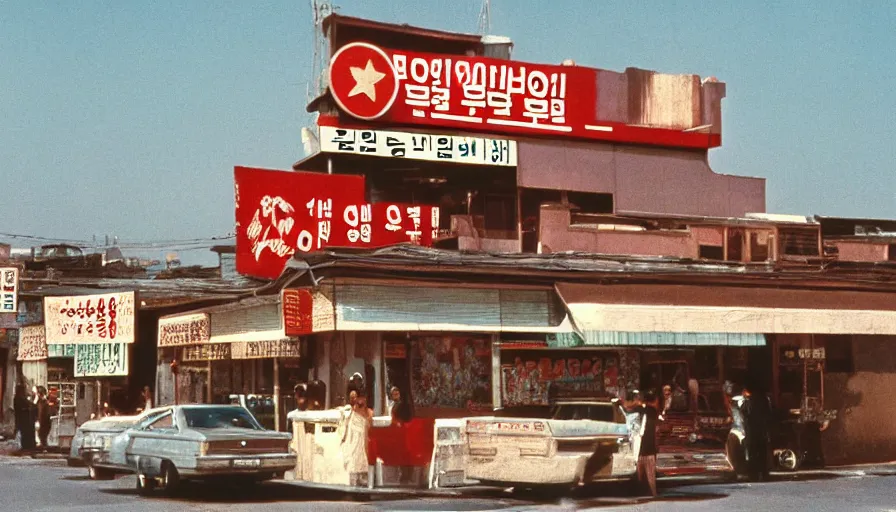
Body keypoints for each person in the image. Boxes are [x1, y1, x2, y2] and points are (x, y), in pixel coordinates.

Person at [340, 386, 373, 487]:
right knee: (353, 463)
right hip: (352, 441)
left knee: (362, 461)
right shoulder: (348, 411)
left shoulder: (368, 412)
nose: (353, 399)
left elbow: (369, 423)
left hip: (362, 440)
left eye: (355, 397)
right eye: (351, 397)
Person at [742, 383, 772, 481]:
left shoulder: (748, 401)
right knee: (762, 452)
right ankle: (763, 473)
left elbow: (744, 413)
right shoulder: (764, 400)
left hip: (752, 431)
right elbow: (768, 414)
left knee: (752, 453)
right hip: (761, 431)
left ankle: (753, 474)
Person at [635, 389, 660, 497]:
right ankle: (652, 493)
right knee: (650, 474)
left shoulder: (640, 411)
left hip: (640, 449)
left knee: (640, 474)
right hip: (648, 449)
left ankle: (642, 492)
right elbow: (653, 432)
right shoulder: (652, 412)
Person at [14, 385, 35, 452]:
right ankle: (27, 446)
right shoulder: (19, 399)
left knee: (26, 433)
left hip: (25, 420)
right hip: (24, 420)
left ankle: (28, 446)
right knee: (25, 434)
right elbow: (27, 405)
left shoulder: (20, 398)